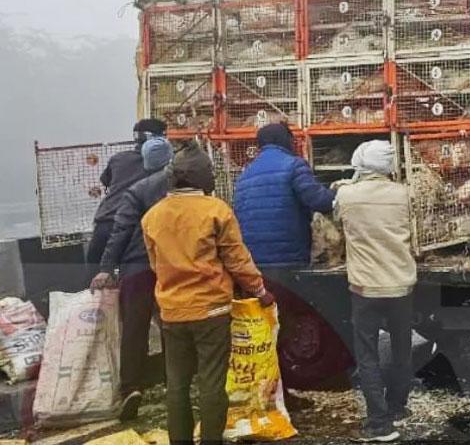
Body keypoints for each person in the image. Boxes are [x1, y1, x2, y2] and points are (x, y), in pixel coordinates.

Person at [141, 141, 274, 445]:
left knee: (176, 384)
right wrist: (260, 290)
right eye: (210, 173)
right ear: (198, 177)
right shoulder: (215, 210)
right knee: (211, 382)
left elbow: (155, 265)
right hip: (210, 311)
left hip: (172, 312)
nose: (213, 178)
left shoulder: (152, 216)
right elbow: (237, 259)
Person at [334, 140, 417, 443]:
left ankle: (379, 424)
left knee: (367, 354)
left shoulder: (345, 195)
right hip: (400, 285)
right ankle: (398, 407)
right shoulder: (405, 194)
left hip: (365, 287)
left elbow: (336, 224)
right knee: (401, 349)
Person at [90, 136, 174, 421]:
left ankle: (131, 388)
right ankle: (174, 380)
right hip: (169, 266)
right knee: (171, 325)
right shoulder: (180, 188)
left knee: (134, 330)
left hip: (136, 268)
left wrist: (106, 267)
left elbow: (120, 231)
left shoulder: (136, 191)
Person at [233, 123, 335, 266]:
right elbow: (319, 201)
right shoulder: (293, 165)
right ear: (285, 140)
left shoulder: (245, 175)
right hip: (289, 257)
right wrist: (341, 193)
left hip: (253, 260)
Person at [86, 119, 167, 273]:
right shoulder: (161, 166)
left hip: (104, 224)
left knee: (94, 286)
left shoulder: (118, 159)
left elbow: (106, 182)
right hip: (131, 230)